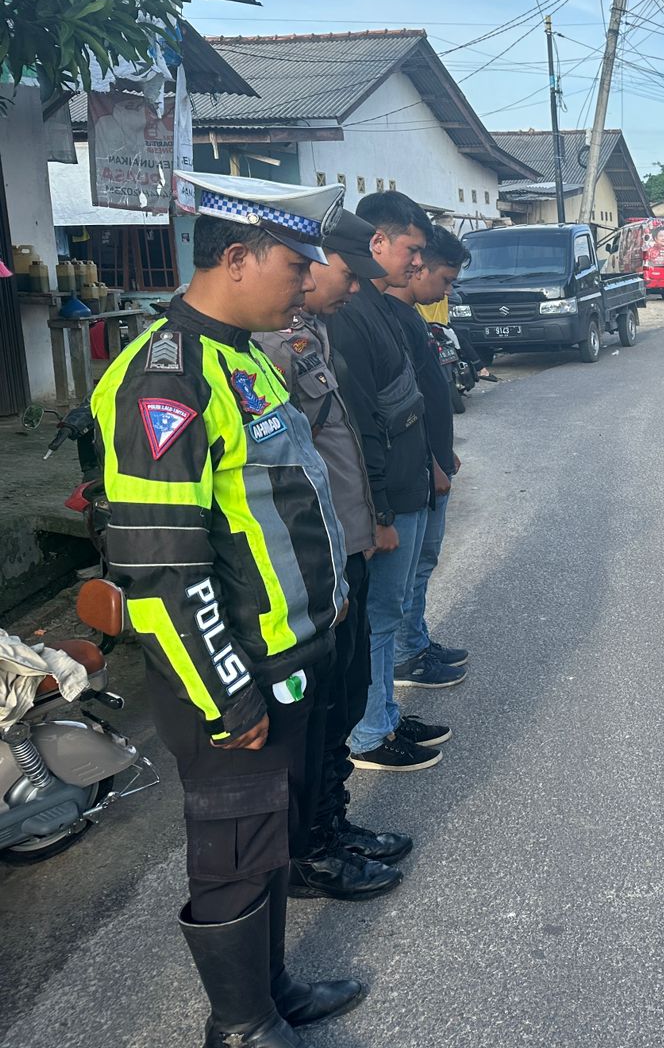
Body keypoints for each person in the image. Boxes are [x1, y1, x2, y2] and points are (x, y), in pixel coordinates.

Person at [93, 173, 363, 1047]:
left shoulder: (243, 356)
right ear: (237, 258)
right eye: (296, 263)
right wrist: (227, 695)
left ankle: (271, 990)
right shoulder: (164, 382)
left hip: (291, 653)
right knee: (234, 850)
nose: (308, 280)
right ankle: (240, 1025)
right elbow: (161, 569)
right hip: (231, 671)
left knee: (270, 836)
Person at [253, 208, 417, 902]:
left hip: (345, 546)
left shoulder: (311, 336)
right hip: (314, 561)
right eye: (345, 274)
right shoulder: (265, 350)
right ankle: (312, 851)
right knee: (316, 712)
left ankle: (332, 824)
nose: (353, 288)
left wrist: (371, 520)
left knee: (342, 703)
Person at [329, 191, 456, 775]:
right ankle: (370, 732)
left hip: (408, 484)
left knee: (389, 612)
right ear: (377, 242)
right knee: (379, 619)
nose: (418, 262)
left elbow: (411, 403)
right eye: (412, 249)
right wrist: (379, 512)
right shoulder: (351, 315)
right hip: (387, 497)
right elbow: (359, 428)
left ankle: (384, 714)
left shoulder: (380, 308)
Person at [385, 223, 470, 682]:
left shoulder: (411, 317)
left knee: (424, 562)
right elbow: (404, 408)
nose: (447, 291)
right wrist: (432, 462)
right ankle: (406, 654)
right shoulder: (392, 320)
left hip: (432, 462)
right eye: (445, 280)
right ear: (419, 269)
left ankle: (415, 640)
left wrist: (443, 451)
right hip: (419, 470)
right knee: (412, 569)